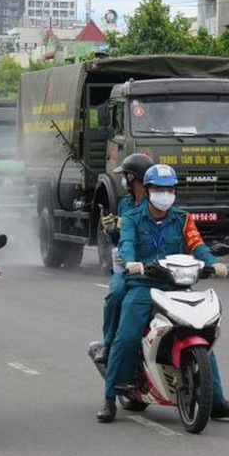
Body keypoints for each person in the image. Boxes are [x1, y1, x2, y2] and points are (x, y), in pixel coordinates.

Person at [97, 164, 229, 423]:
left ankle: (217, 400)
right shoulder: (132, 217)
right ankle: (110, 396)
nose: (164, 194)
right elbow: (127, 244)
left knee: (202, 330)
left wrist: (213, 262)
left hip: (176, 285)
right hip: (143, 284)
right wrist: (132, 261)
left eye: (169, 189)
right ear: (148, 189)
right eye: (159, 189)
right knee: (128, 335)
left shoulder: (182, 218)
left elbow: (196, 244)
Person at [95, 153, 154, 364]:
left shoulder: (156, 204)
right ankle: (109, 345)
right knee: (116, 294)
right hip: (128, 267)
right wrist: (111, 229)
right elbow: (120, 240)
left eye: (125, 176)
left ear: (131, 178)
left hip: (155, 266)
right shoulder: (125, 204)